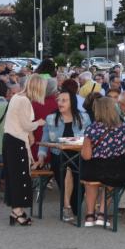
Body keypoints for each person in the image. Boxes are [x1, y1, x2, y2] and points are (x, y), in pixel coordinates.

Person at [80, 97, 125, 227]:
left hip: (95, 169)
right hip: (118, 169)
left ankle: (90, 215)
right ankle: (102, 213)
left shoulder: (92, 129)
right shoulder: (123, 127)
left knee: (90, 182)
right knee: (111, 180)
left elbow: (86, 156)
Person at [2, 75, 46, 226]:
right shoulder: (24, 100)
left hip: (11, 139)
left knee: (15, 176)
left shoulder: (17, 97)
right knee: (20, 177)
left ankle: (16, 210)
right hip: (16, 141)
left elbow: (19, 122)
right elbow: (26, 125)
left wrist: (30, 133)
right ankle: (17, 211)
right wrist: (39, 123)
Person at [37, 87, 85, 222]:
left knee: (78, 196)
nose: (60, 103)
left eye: (64, 100)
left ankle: (71, 206)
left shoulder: (83, 117)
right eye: (59, 100)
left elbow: (89, 139)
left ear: (73, 103)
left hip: (79, 155)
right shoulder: (51, 118)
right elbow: (44, 139)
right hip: (58, 154)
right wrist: (41, 157)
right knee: (67, 168)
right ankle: (66, 206)